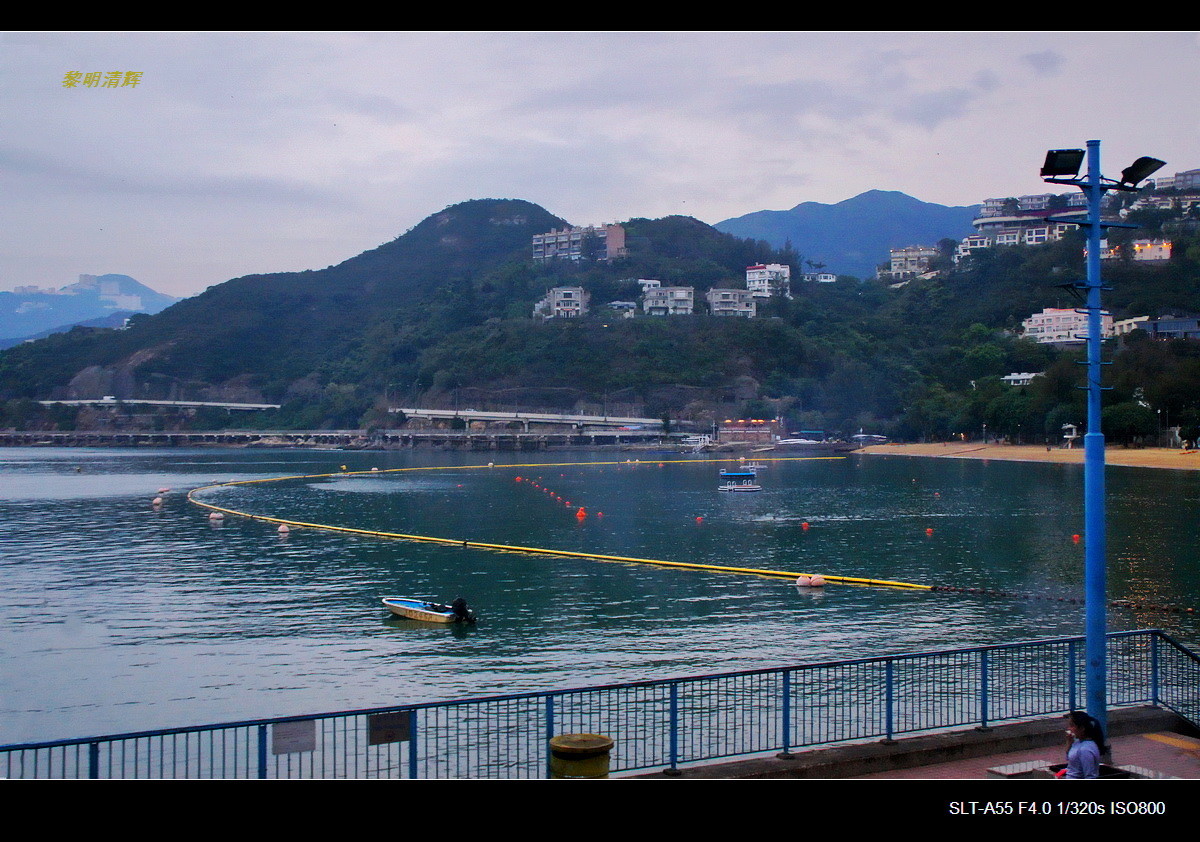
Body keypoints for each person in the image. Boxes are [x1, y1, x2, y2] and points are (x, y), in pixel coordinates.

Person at [1058, 710, 1105, 779]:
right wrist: (1069, 743)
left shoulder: (1085, 750)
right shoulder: (1077, 742)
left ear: (1082, 728)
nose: (1069, 728)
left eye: (1072, 726)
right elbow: (1071, 760)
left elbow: (1090, 776)